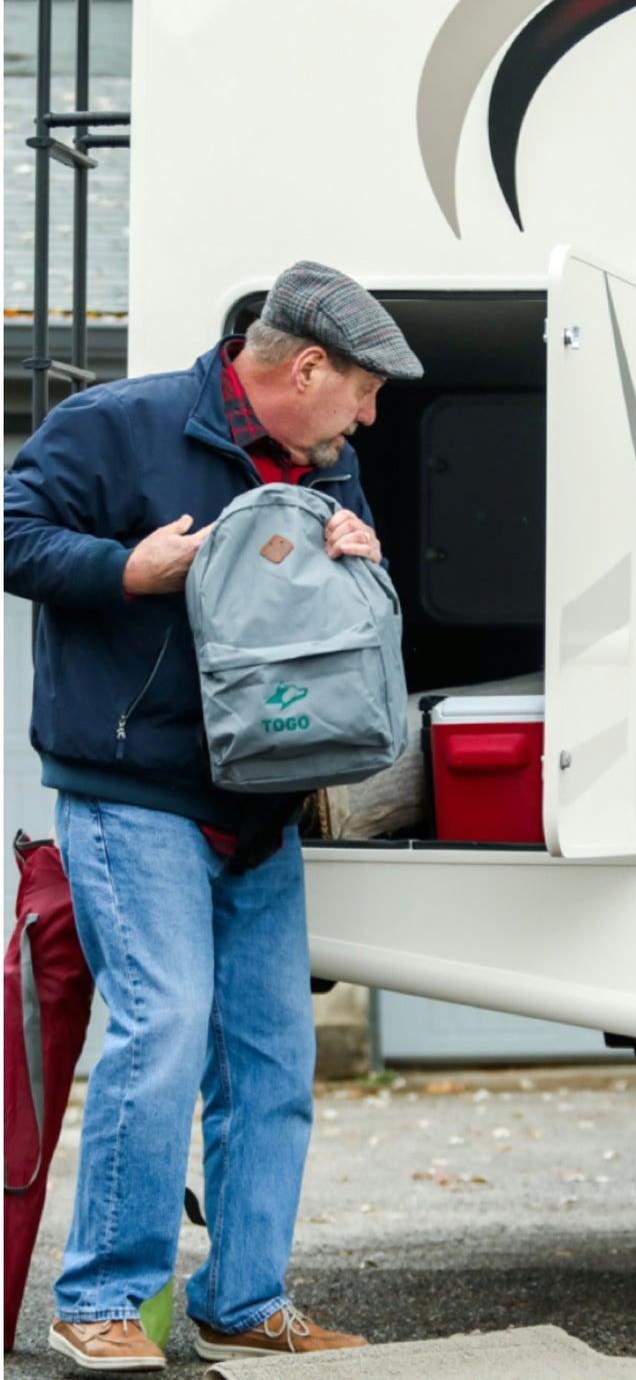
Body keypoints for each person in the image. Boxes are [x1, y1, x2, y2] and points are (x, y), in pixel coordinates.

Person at [3, 261, 422, 1372]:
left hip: (262, 812)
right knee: (166, 1028)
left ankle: (243, 1299)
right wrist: (123, 567)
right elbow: (11, 532)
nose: (371, 415)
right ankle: (98, 1297)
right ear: (307, 366)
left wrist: (359, 562)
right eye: (366, 390)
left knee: (276, 1063)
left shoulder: (331, 465)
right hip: (134, 793)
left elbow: (329, 616)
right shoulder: (116, 425)